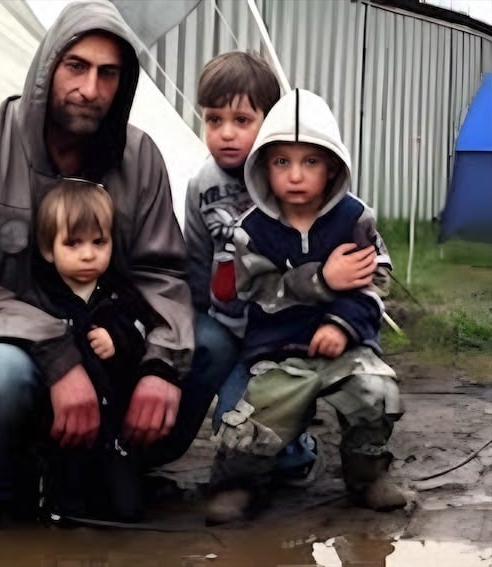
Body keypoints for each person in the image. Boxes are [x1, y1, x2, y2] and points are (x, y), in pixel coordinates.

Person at [0, 0, 193, 531]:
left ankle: (117, 469)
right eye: (76, 67)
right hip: (5, 351)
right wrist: (58, 352)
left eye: (109, 74)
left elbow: (163, 275)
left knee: (208, 343)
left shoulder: (140, 156)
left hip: (105, 344)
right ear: (46, 68)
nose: (90, 89)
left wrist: (161, 365)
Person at [205, 88, 406, 525]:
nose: (295, 175)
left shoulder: (355, 219)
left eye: (310, 162)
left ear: (332, 166)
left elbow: (375, 281)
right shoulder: (250, 231)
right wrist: (320, 281)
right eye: (282, 162)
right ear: (263, 166)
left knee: (377, 392)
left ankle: (366, 477)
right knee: (248, 426)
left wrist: (341, 324)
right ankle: (239, 487)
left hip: (347, 350)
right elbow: (254, 290)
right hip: (278, 352)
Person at [184, 52, 380, 482]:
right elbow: (196, 256)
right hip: (227, 321)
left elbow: (352, 270)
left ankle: (302, 444)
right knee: (233, 429)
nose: (227, 134)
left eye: (241, 120)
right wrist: (197, 316)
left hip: (285, 329)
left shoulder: (295, 187)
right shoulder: (201, 184)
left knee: (284, 456)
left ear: (270, 123)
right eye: (214, 120)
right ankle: (174, 436)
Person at [35, 179, 160, 522]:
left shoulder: (119, 291)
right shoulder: (43, 297)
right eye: (73, 243)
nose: (88, 254)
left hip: (113, 422)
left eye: (98, 242)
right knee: (65, 495)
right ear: (48, 249)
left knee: (124, 508)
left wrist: (117, 338)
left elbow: (144, 327)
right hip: (60, 424)